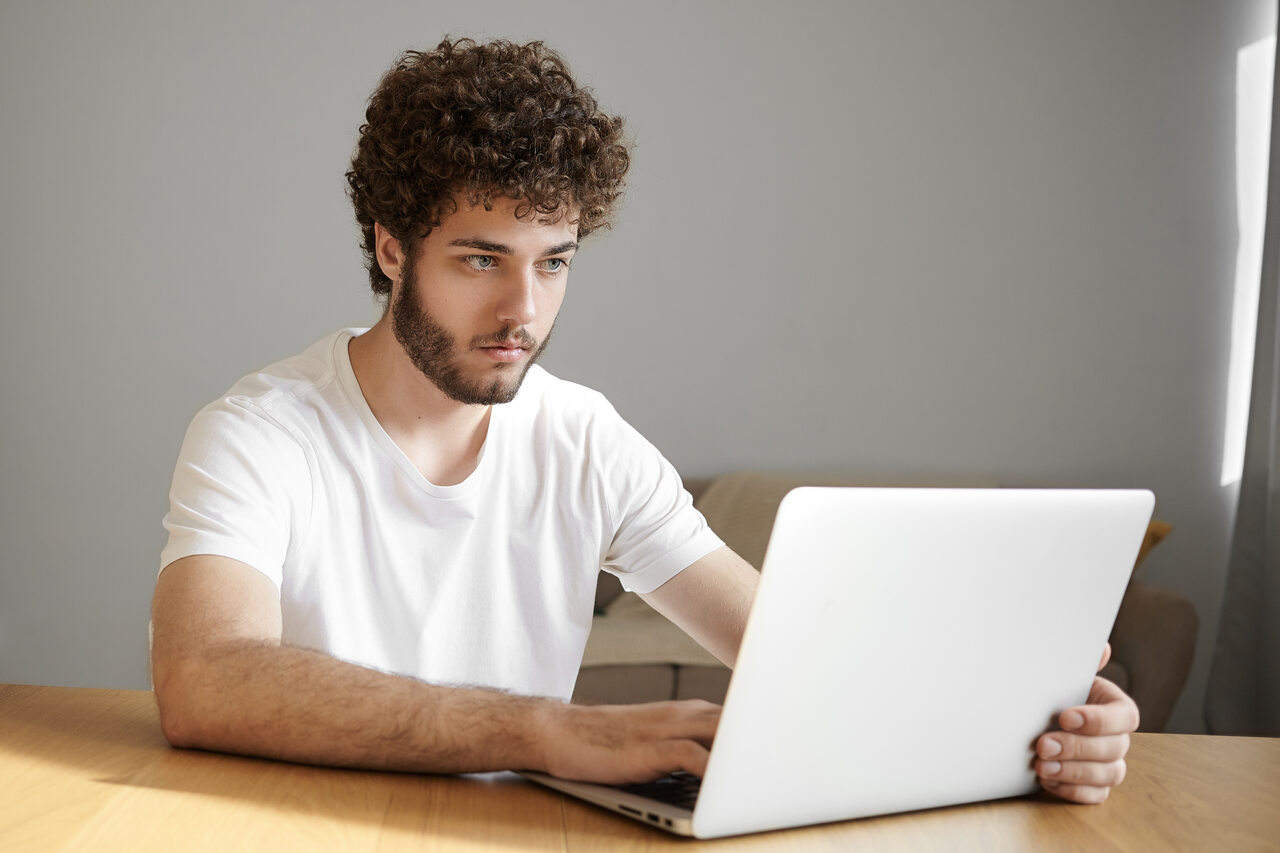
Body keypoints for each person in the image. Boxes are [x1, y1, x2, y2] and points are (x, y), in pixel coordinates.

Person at [151, 37, 1137, 803]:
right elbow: (205, 679)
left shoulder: (581, 438)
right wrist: (543, 730)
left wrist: (1033, 726)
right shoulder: (259, 432)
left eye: (554, 261)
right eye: (482, 260)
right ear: (392, 246)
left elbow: (795, 652)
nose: (522, 314)